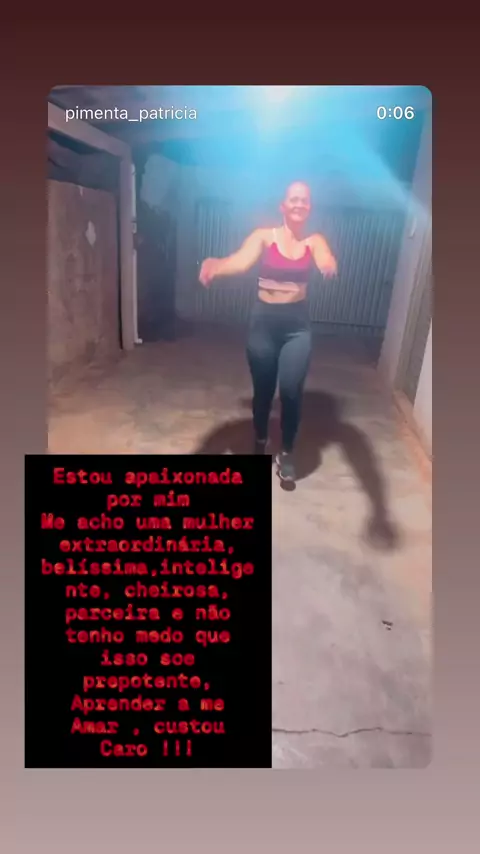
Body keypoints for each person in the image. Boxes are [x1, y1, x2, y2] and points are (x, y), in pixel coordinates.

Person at [199, 181, 337, 484]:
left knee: (290, 390)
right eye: (293, 199)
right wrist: (216, 266)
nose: (299, 204)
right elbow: (240, 261)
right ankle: (260, 439)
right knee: (263, 392)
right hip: (264, 324)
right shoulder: (264, 237)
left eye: (304, 200)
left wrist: (328, 265)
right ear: (283, 206)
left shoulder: (314, 241)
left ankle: (287, 451)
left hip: (296, 328)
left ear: (309, 207)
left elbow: (325, 257)